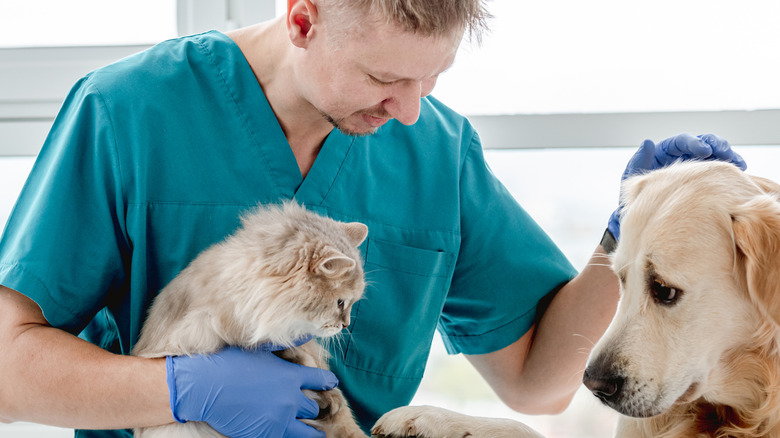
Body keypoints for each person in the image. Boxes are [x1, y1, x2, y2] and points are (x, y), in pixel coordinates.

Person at [0, 1, 746, 437]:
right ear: (302, 19)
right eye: (384, 77)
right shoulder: (128, 113)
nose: (410, 108)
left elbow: (538, 382)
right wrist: (176, 389)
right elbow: (8, 364)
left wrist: (627, 232)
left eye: (431, 77)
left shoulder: (437, 150)